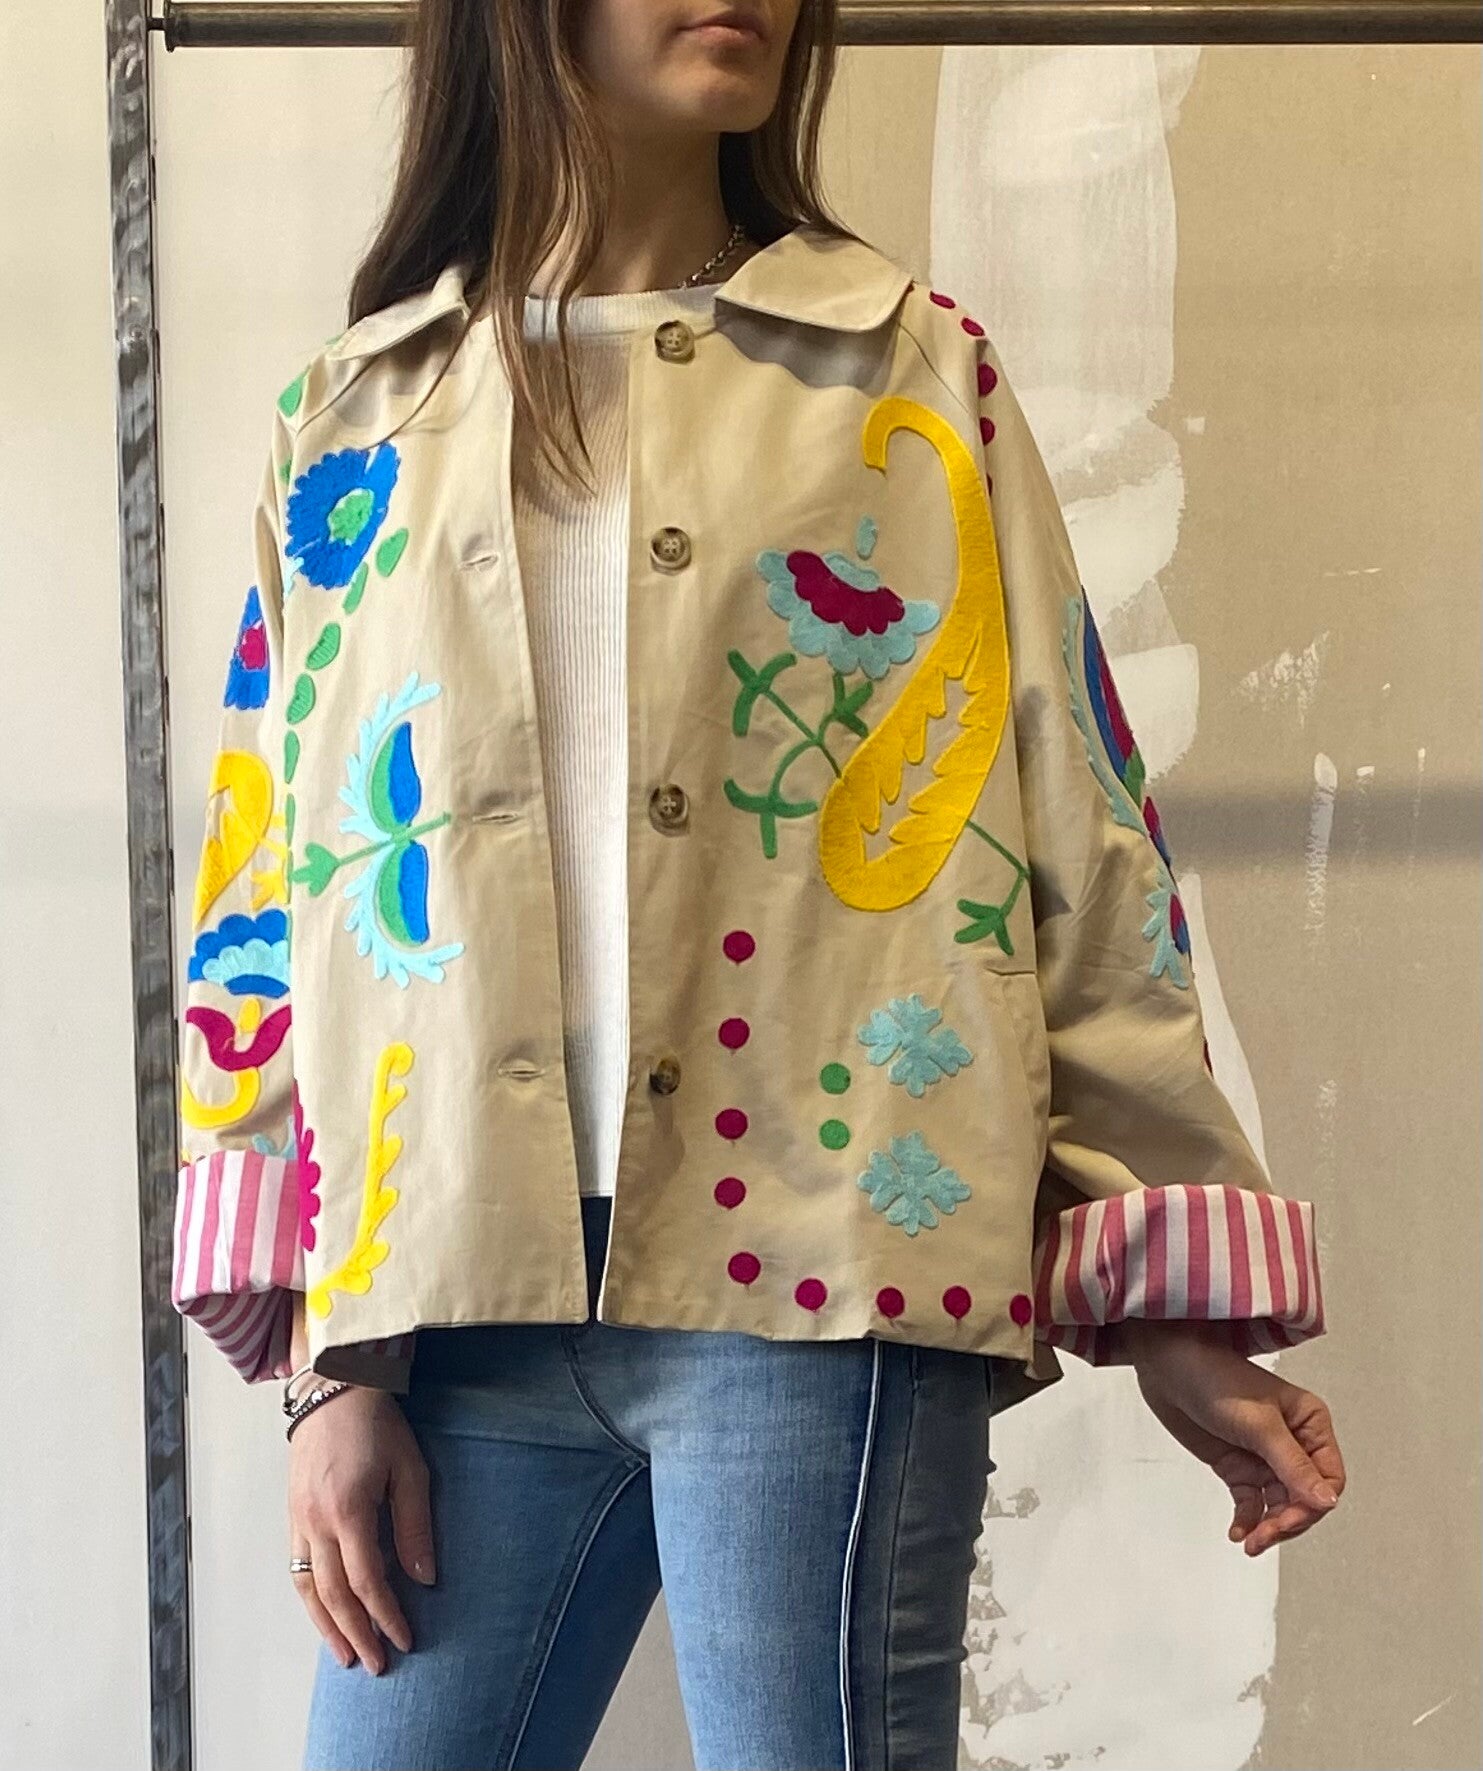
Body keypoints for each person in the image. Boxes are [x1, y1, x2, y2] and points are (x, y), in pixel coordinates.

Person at [170, 3, 1346, 1767]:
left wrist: (1169, 1295)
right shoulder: (356, 416)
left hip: (822, 1267)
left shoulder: (905, 373)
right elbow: (273, 891)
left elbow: (1076, 818)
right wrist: (330, 1370)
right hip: (454, 1294)